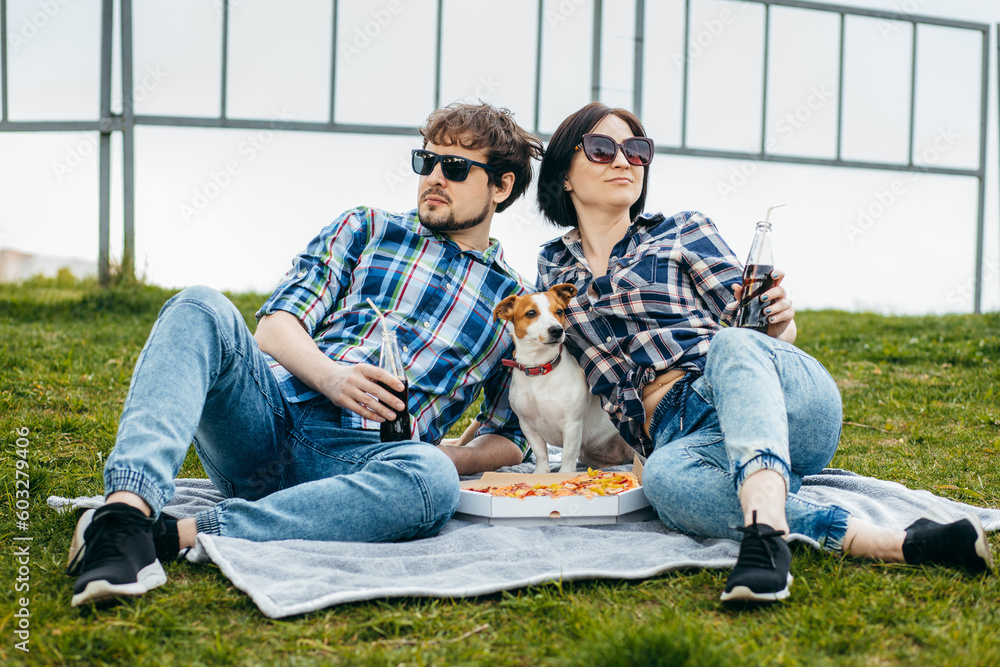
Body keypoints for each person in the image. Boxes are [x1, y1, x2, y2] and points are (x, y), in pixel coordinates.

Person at [67, 102, 544, 607]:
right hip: (264, 417)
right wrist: (332, 378)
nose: (434, 178)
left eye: (454, 168)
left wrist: (450, 454)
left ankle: (172, 535)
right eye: (425, 162)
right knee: (199, 304)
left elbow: (512, 436)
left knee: (433, 482)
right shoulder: (367, 227)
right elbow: (275, 327)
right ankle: (121, 518)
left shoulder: (517, 304)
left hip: (360, 464)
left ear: (501, 186)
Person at [533, 101, 994, 603]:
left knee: (732, 343)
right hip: (678, 436)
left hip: (773, 398)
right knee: (664, 483)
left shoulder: (681, 231)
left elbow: (756, 329)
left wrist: (779, 318)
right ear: (565, 176)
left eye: (636, 150)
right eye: (603, 149)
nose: (624, 161)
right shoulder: (553, 271)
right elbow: (541, 367)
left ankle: (765, 535)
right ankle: (892, 542)